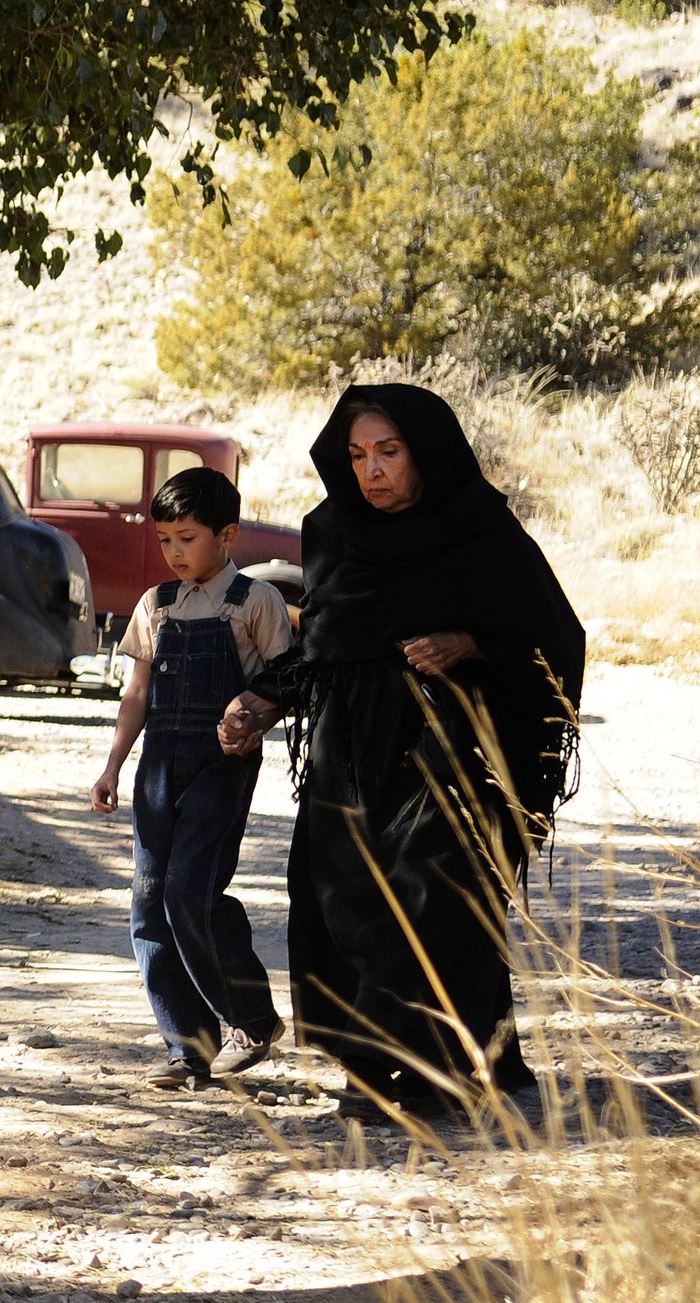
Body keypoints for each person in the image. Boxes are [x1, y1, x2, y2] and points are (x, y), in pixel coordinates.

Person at [219, 384, 584, 1119]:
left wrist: (471, 642)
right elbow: (323, 641)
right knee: (342, 899)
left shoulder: (481, 533)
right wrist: (263, 698)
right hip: (347, 748)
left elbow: (556, 639)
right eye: (357, 455)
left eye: (389, 452)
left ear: (427, 452)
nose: (371, 471)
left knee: (432, 897)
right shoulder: (332, 532)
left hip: (451, 748)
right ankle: (409, 1058)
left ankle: (408, 1071)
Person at [91, 467, 293, 1088]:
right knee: (149, 904)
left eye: (188, 538)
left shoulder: (256, 602)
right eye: (166, 541)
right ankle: (188, 1047)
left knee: (190, 892)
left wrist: (253, 716)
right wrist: (113, 765)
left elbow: (285, 683)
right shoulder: (155, 605)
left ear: (228, 535)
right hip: (159, 766)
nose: (175, 553)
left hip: (221, 768)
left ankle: (251, 1020)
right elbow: (137, 694)